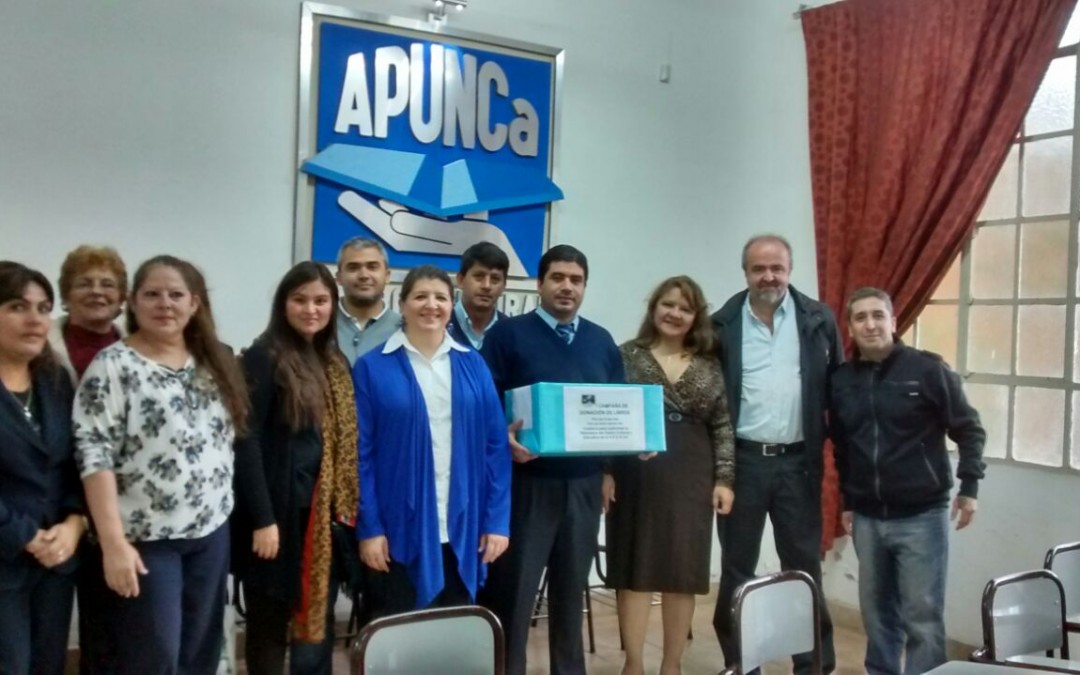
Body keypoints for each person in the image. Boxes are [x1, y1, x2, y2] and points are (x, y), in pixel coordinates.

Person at [74, 255, 249, 674]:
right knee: (155, 657)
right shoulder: (112, 367)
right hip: (147, 540)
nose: (164, 304)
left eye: (176, 295)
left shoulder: (212, 361)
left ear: (194, 303)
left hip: (210, 533)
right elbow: (93, 455)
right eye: (152, 294)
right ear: (133, 302)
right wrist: (114, 544)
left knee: (200, 654)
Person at [480, 244, 625, 675]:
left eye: (575, 280)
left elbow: (617, 410)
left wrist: (610, 470)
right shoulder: (507, 335)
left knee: (570, 594)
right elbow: (486, 404)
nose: (567, 287)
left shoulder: (600, 340)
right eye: (558, 278)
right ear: (540, 283)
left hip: (583, 485)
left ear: (584, 287)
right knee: (517, 595)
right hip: (527, 485)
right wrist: (501, 439)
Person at [830, 287, 985, 675]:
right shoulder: (842, 381)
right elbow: (844, 449)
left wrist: (969, 488)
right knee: (878, 615)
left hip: (922, 516)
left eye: (878, 315)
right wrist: (848, 502)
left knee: (923, 616)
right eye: (861, 317)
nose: (870, 324)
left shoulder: (927, 370)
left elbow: (969, 430)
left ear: (893, 322)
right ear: (849, 327)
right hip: (867, 517)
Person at [710, 234, 840, 674]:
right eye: (759, 269)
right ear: (745, 272)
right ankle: (742, 662)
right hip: (741, 464)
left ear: (789, 269)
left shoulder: (820, 319)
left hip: (799, 464)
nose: (769, 276)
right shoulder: (722, 324)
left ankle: (814, 664)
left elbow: (837, 390)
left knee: (803, 569)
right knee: (737, 570)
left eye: (777, 268)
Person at [353, 264, 511, 616]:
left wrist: (496, 522)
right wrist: (370, 528)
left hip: (463, 528)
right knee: (398, 642)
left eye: (440, 297)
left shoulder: (474, 366)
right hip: (396, 532)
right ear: (402, 302)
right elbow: (360, 456)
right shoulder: (371, 368)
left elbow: (496, 450)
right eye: (420, 296)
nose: (431, 305)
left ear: (451, 305)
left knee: (452, 637)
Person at [233, 261, 359, 674]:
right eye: (300, 300)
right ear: (283, 304)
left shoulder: (334, 362)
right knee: (269, 625)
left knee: (316, 622)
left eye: (321, 300)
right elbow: (245, 440)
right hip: (277, 517)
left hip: (319, 519)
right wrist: (262, 518)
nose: (311, 309)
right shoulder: (263, 357)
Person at [605, 275, 735, 675]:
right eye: (668, 304)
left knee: (682, 572)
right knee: (636, 570)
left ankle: (672, 665)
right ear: (653, 307)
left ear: (696, 317)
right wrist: (605, 472)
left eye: (685, 308)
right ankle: (634, 664)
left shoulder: (710, 363)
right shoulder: (625, 355)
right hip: (635, 473)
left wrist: (724, 479)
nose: (675, 313)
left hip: (692, 473)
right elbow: (605, 417)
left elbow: (723, 425)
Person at [0, 261, 88, 675]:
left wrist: (75, 523)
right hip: (7, 557)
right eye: (18, 306)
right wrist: (24, 535)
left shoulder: (56, 381)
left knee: (47, 666)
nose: (36, 319)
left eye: (44, 307)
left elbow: (76, 462)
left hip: (56, 559)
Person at [48, 244, 128, 674]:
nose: (97, 292)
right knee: (48, 629)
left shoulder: (136, 348)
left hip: (119, 507)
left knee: (112, 624)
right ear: (66, 293)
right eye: (85, 283)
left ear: (122, 298)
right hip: (57, 504)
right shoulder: (42, 349)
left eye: (108, 284)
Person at [335, 237, 400, 364]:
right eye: (353, 268)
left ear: (387, 276)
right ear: (339, 277)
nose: (364, 275)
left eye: (372, 267)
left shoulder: (404, 330)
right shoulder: (319, 324)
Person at [448, 241, 509, 350]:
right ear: (461, 280)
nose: (487, 286)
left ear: (503, 286)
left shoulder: (511, 331)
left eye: (495, 279)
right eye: (479, 276)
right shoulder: (439, 325)